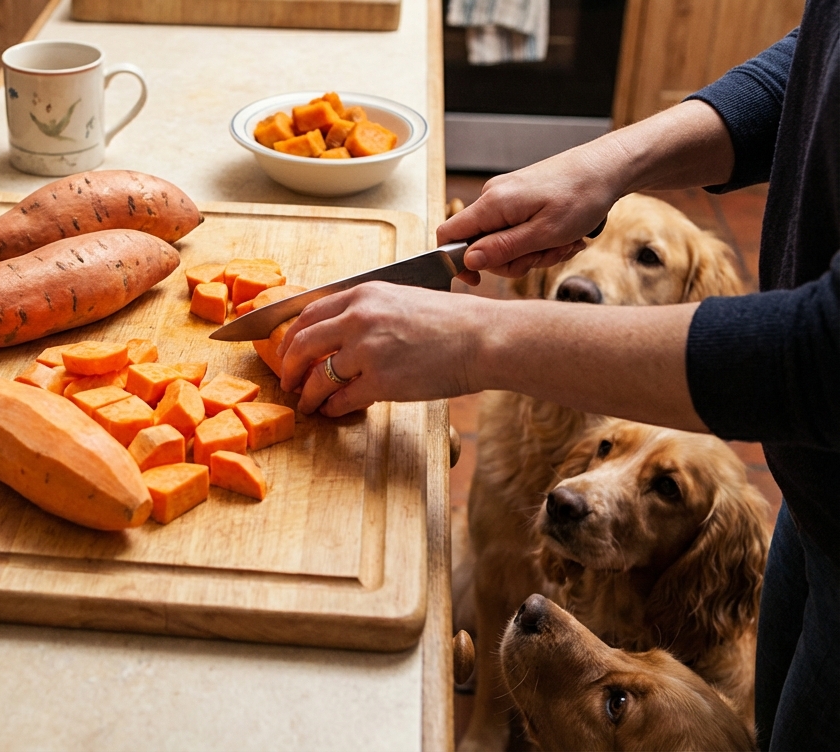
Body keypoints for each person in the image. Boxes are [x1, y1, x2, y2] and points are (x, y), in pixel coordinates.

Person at [276, 5, 839, 749]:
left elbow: (826, 353)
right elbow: (815, 61)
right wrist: (606, 164)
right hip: (823, 490)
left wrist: (482, 339)